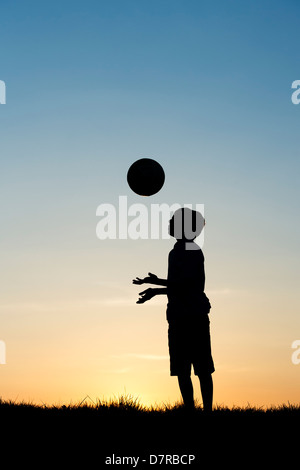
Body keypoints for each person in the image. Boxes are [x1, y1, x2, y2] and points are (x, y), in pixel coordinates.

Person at [132, 208, 214, 412]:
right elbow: (179, 283)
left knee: (200, 369)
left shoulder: (190, 250)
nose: (169, 223)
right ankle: (192, 410)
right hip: (179, 316)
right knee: (182, 369)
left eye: (173, 220)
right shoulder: (177, 250)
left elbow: (185, 285)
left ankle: (207, 412)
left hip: (192, 316)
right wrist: (155, 283)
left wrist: (155, 289)